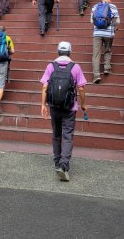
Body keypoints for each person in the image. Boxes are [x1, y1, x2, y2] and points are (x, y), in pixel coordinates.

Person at [40, 41, 87, 182]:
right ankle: (64, 165)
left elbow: (44, 87)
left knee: (56, 134)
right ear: (70, 52)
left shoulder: (51, 66)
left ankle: (57, 161)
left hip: (54, 106)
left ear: (58, 51)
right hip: (70, 108)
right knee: (67, 136)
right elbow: (82, 88)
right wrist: (83, 104)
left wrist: (43, 104)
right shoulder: (75, 67)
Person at [90, 0, 120, 84]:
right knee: (107, 50)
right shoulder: (113, 7)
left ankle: (96, 75)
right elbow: (117, 21)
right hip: (108, 34)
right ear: (110, 1)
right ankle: (107, 68)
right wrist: (114, 27)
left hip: (97, 34)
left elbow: (92, 21)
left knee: (96, 54)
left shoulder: (95, 6)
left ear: (102, 0)